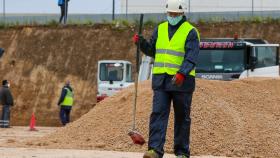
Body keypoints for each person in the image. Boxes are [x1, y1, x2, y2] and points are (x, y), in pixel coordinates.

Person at [133, 0, 200, 157]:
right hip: (161, 80)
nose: (172, 16)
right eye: (170, 13)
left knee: (182, 117)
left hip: (181, 82)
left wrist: (182, 73)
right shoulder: (160, 29)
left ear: (182, 14)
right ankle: (155, 150)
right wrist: (141, 43)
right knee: (158, 114)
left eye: (175, 14)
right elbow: (152, 51)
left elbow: (191, 56)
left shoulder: (190, 31)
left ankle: (182, 152)